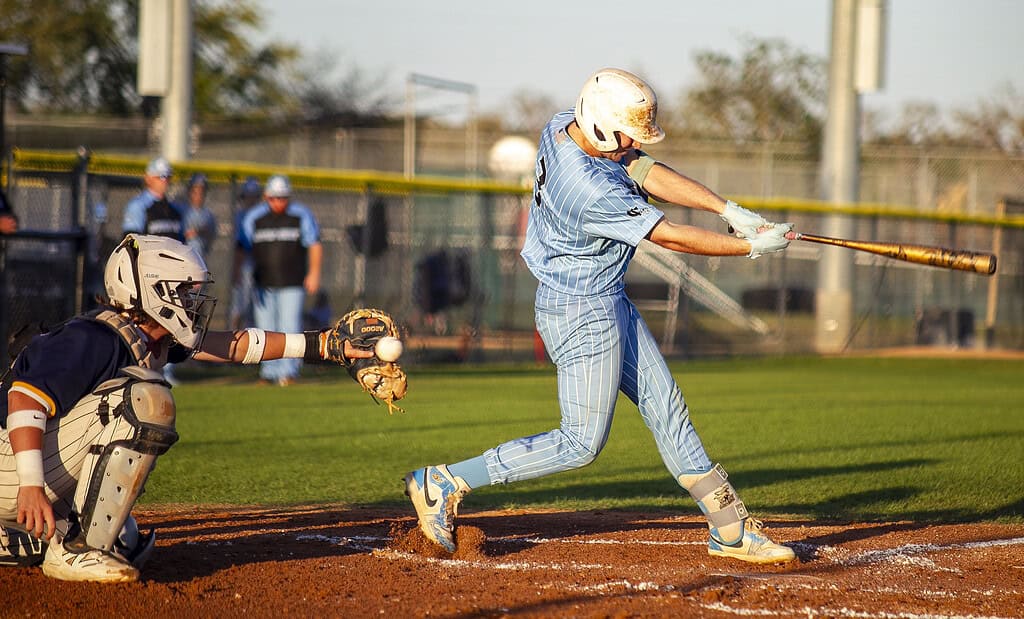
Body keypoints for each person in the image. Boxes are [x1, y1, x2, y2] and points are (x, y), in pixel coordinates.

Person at [404, 68, 796, 564]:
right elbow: (668, 235)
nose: (633, 142)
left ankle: (730, 528)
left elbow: (645, 168)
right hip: (581, 311)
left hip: (606, 298)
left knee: (667, 408)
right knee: (580, 444)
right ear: (603, 125)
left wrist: (728, 208)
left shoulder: (563, 125)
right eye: (628, 132)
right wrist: (748, 248)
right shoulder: (587, 188)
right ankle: (444, 481)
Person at [0, 233, 372, 582]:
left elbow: (237, 345)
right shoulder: (95, 337)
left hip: (21, 465)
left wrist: (323, 345)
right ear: (151, 292)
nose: (193, 304)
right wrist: (32, 485)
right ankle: (77, 549)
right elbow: (24, 399)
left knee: (125, 540)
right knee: (147, 399)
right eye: (184, 294)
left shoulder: (141, 336)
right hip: (15, 465)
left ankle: (27, 534)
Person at [236, 175, 323, 386]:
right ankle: (268, 372)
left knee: (289, 327)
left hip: (292, 282)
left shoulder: (300, 215)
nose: (278, 202)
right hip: (262, 284)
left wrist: (314, 273)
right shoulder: (254, 217)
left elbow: (314, 244)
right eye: (274, 198)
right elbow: (241, 247)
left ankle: (288, 373)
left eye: (283, 198)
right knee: (264, 329)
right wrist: (237, 274)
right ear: (266, 196)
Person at [122, 157, 185, 241]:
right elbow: (130, 241)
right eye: (160, 177)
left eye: (168, 176)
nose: (165, 181)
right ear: (148, 178)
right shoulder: (138, 205)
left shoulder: (174, 208)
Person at [228, 177, 262, 330]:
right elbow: (239, 246)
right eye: (248, 196)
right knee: (240, 304)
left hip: (259, 265)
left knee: (255, 307)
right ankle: (234, 335)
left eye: (253, 196)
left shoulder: (260, 215)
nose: (250, 200)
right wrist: (236, 270)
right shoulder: (241, 216)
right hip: (245, 263)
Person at [182, 173, 217, 259]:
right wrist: (197, 232)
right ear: (190, 192)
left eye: (202, 191)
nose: (199, 195)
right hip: (183, 259)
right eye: (195, 191)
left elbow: (210, 237)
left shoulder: (209, 215)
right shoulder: (182, 211)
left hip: (201, 259)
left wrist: (199, 232)